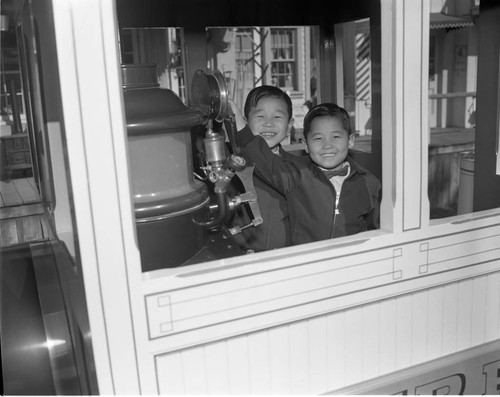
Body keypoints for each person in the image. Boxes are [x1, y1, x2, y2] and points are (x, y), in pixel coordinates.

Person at [230, 102, 381, 245]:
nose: (327, 145)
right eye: (318, 138)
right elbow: (262, 158)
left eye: (336, 137)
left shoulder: (369, 183)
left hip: (350, 265)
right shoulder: (296, 174)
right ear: (306, 145)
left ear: (350, 140)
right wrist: (236, 117)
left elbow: (374, 231)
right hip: (305, 263)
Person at [230, 85, 298, 252]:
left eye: (277, 117)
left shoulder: (297, 167)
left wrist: (243, 134)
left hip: (285, 258)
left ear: (289, 125)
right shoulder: (231, 161)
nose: (268, 123)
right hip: (239, 257)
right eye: (260, 116)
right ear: (246, 122)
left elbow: (269, 166)